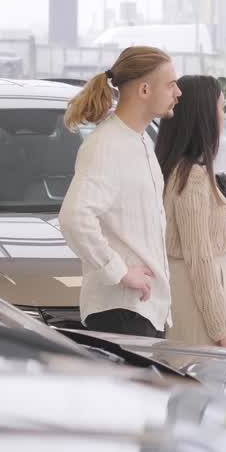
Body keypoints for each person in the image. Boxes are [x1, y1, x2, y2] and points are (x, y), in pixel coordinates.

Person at [59, 46, 182, 338]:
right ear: (144, 89)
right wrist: (121, 272)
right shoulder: (106, 145)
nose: (178, 92)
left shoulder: (138, 142)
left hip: (142, 311)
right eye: (171, 84)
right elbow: (74, 218)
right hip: (122, 312)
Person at [155, 75, 226, 349]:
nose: (223, 115)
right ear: (203, 115)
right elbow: (199, 258)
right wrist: (222, 328)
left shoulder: (180, 170)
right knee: (199, 385)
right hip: (195, 306)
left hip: (189, 299)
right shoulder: (192, 177)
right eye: (221, 107)